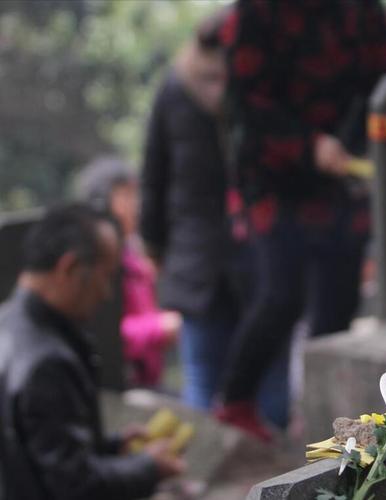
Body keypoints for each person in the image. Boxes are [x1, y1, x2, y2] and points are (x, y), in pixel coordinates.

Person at [215, 0, 386, 438]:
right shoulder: (254, 14)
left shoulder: (362, 11)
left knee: (340, 300)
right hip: (272, 175)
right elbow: (247, 104)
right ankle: (234, 403)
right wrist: (308, 145)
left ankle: (322, 418)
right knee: (281, 295)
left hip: (344, 172)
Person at [140, 9, 284, 435]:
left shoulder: (174, 88)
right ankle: (279, 467)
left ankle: (204, 463)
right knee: (269, 381)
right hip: (262, 254)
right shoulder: (263, 85)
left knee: (203, 379)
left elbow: (153, 179)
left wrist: (155, 249)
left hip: (196, 260)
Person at [0, 204, 183, 500]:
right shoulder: (46, 364)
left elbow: (38, 449)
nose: (106, 293)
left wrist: (109, 447)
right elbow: (75, 486)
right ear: (70, 268)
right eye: (105, 276)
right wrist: (148, 467)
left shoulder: (8, 324)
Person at [77, 157, 181, 388]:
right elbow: (105, 334)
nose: (136, 205)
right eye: (126, 196)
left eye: (136, 195)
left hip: (150, 379)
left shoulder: (136, 254)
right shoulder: (97, 262)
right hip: (120, 384)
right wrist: (160, 328)